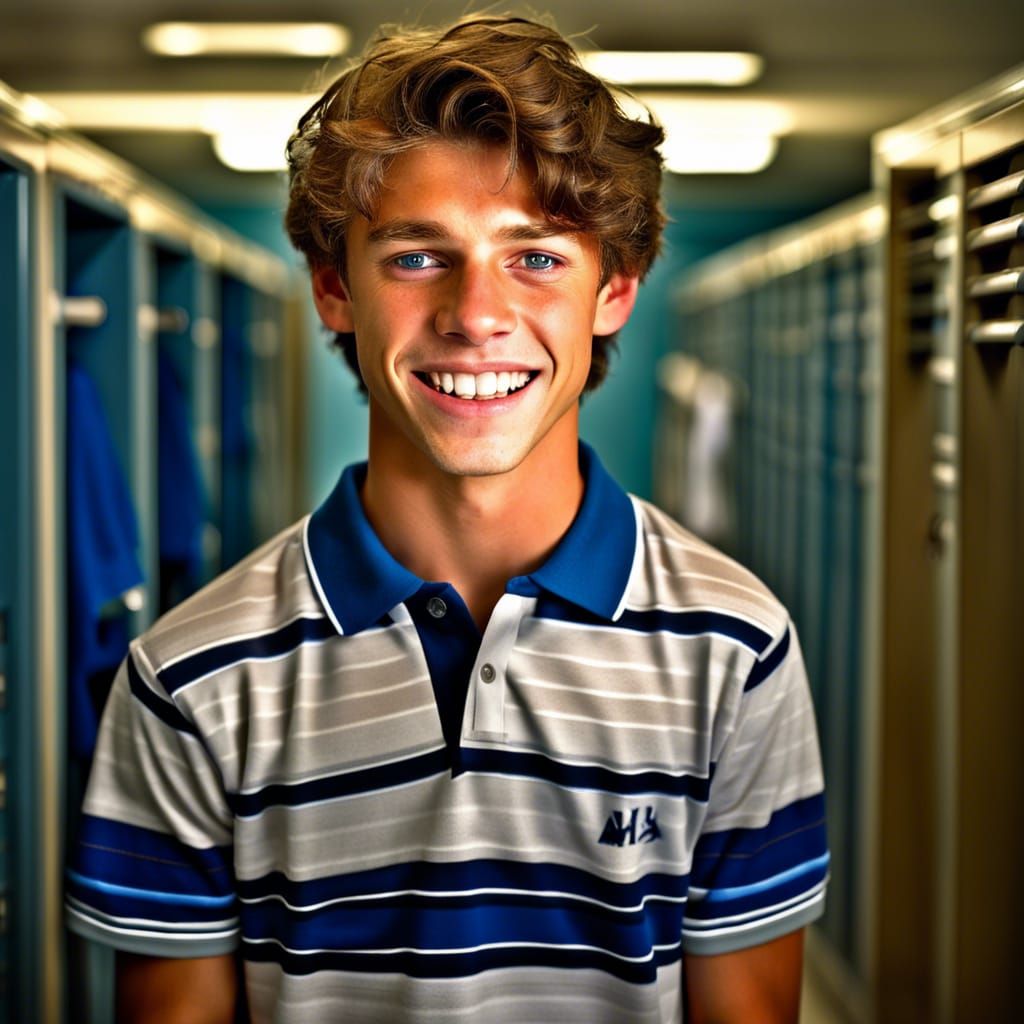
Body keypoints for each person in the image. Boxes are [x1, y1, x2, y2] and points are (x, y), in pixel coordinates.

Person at [66, 14, 828, 1023]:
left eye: (537, 258)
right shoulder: (190, 676)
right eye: (418, 256)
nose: (476, 313)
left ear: (617, 291)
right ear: (335, 289)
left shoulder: (737, 648)